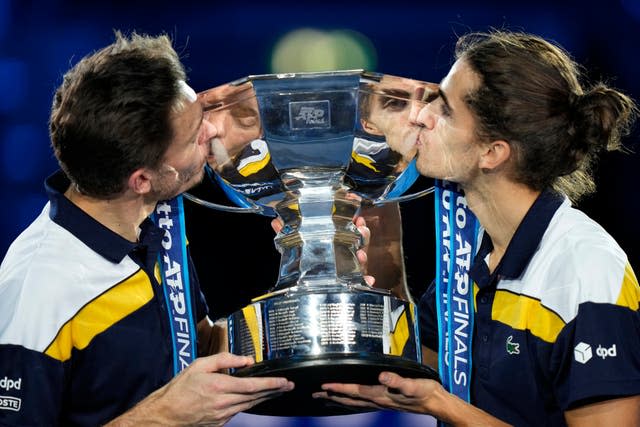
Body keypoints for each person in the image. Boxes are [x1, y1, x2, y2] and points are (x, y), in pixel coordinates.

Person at [312, 30, 640, 426]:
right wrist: (377, 232)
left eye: (445, 110)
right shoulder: (473, 245)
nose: (421, 116)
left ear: (492, 152)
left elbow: (436, 394)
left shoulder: (586, 268)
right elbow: (417, 360)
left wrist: (442, 405)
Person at [0, 31, 296, 426]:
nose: (212, 133)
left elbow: (195, 345)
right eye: (195, 136)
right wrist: (163, 416)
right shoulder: (36, 292)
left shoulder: (155, 214)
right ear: (143, 179)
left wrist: (296, 312)